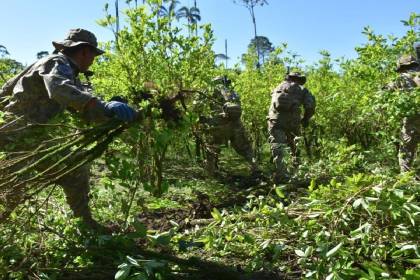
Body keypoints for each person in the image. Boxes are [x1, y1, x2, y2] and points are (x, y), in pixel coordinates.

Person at [0, 28, 137, 230]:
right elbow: (60, 89)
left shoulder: (67, 72)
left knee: (75, 170)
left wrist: (107, 110)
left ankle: (85, 224)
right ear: (84, 51)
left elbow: (80, 108)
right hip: (15, 134)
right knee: (12, 187)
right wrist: (98, 104)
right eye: (93, 55)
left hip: (32, 137)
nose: (93, 60)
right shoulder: (56, 62)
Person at [199, 76, 258, 177]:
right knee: (245, 149)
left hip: (218, 125)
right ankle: (255, 168)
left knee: (212, 148)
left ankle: (210, 174)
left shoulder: (209, 91)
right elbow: (239, 105)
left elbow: (199, 107)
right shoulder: (232, 92)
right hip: (235, 124)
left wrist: (204, 121)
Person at [267, 72, 316, 184]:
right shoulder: (302, 89)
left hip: (275, 121)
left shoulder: (278, 86)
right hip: (293, 122)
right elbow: (310, 106)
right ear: (299, 79)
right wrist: (305, 119)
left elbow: (272, 105)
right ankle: (297, 170)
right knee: (295, 147)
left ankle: (280, 174)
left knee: (278, 147)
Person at [387, 53, 419, 175]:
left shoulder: (401, 78)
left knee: (406, 150)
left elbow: (384, 92)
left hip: (412, 121)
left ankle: (406, 181)